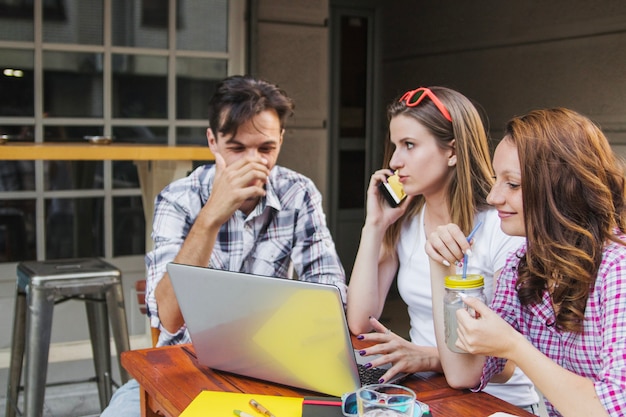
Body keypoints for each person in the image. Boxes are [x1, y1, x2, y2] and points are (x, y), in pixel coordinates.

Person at [101, 75, 346, 416]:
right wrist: (211, 216)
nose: (252, 161)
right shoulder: (177, 198)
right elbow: (169, 318)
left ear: (281, 140)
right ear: (212, 142)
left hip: (273, 365)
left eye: (266, 148)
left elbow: (331, 294)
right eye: (236, 148)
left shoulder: (299, 193)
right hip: (183, 365)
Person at [346, 86, 540, 412]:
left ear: (452, 151)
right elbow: (360, 322)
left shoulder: (501, 226)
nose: (394, 162)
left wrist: (428, 356)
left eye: (409, 145)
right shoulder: (406, 220)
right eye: (395, 146)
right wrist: (375, 225)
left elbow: (510, 361)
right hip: (427, 390)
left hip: (498, 404)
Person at [426, 108, 626, 416]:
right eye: (496, 180)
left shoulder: (617, 267)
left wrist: (514, 346)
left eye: (513, 184)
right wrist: (442, 267)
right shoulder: (523, 265)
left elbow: (615, 409)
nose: (493, 197)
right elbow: (463, 373)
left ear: (562, 188)